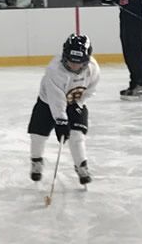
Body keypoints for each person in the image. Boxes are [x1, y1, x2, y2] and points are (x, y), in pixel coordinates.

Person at [27, 34, 100, 185]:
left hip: (74, 102)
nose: (74, 66)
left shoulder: (93, 69)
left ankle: (81, 165)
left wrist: (79, 104)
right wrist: (61, 121)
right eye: (71, 61)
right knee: (37, 135)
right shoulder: (55, 70)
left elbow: (90, 90)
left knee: (76, 135)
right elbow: (56, 100)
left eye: (78, 63)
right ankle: (36, 161)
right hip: (48, 103)